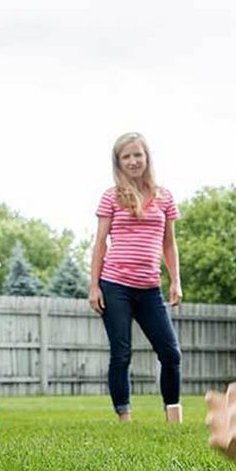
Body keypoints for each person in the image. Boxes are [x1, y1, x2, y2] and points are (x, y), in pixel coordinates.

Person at [88, 132, 182, 422]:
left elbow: (169, 243)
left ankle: (172, 413)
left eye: (137, 155)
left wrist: (175, 280)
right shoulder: (112, 197)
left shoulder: (164, 197)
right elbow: (101, 242)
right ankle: (124, 417)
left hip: (150, 288)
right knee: (121, 353)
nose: (133, 161)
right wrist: (94, 286)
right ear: (118, 162)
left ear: (147, 157)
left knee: (170, 353)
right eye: (126, 156)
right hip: (115, 285)